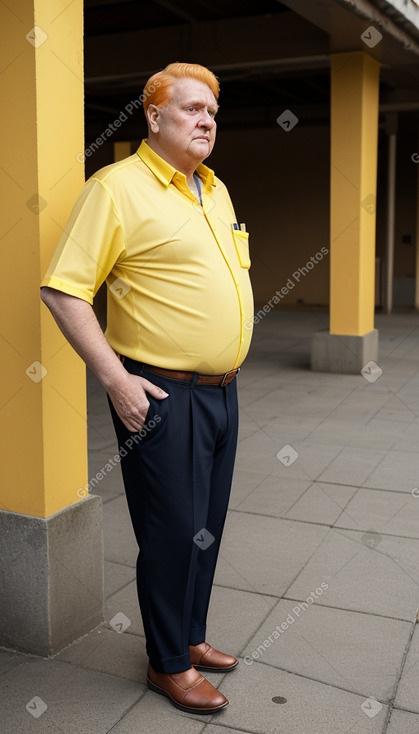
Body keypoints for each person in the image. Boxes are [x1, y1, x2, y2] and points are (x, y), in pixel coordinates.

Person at [41, 62, 253, 714]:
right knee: (171, 532)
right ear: (153, 117)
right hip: (161, 393)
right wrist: (116, 382)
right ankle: (167, 666)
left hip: (222, 391)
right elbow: (63, 289)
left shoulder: (212, 190)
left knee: (205, 529)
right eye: (190, 108)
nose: (205, 120)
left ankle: (188, 638)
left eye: (211, 111)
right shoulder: (116, 188)